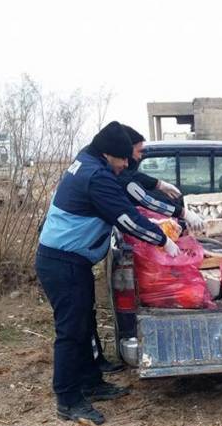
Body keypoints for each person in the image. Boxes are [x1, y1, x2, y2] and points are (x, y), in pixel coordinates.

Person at [36, 121, 180, 426]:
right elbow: (126, 218)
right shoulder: (95, 177)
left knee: (85, 321)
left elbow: (128, 181)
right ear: (107, 154)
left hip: (70, 260)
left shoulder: (89, 160)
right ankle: (68, 399)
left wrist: (155, 185)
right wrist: (163, 240)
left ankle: (91, 381)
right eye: (122, 158)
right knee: (71, 331)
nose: (126, 163)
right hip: (62, 262)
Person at [87, 125, 204, 374]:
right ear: (120, 153)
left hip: (76, 255)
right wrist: (167, 233)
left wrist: (159, 183)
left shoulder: (105, 168)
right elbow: (136, 205)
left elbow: (136, 181)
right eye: (137, 153)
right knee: (76, 322)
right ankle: (79, 384)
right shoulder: (102, 177)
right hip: (68, 257)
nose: (138, 158)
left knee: (83, 316)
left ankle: (92, 371)